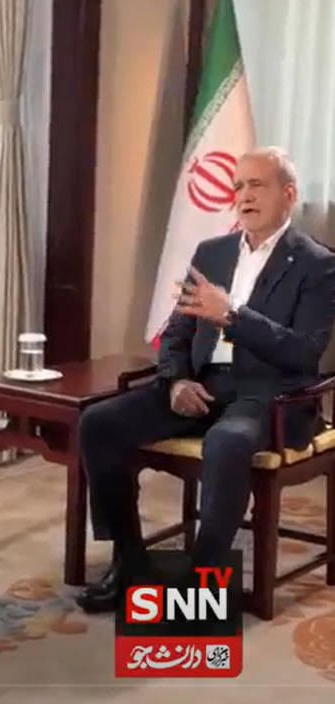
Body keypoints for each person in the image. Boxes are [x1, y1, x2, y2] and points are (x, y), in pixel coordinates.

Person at [75, 146, 335, 613]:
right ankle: (129, 560)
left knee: (227, 443)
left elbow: (304, 352)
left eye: (257, 185)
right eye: (238, 186)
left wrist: (233, 315)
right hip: (200, 385)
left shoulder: (318, 264)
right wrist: (176, 381)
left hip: (268, 397)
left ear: (289, 194)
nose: (244, 196)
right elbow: (177, 333)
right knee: (99, 422)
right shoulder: (211, 254)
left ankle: (201, 584)